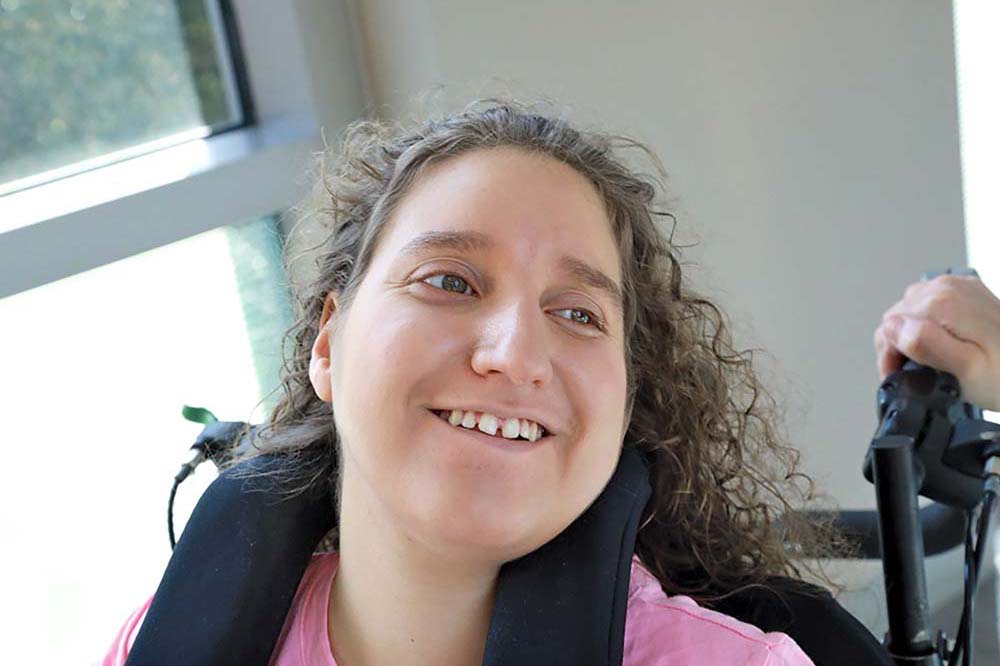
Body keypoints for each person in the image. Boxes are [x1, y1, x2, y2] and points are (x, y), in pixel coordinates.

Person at [101, 97, 1000, 666]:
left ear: (622, 405)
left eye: (578, 314)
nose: (513, 353)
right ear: (328, 343)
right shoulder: (159, 638)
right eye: (450, 281)